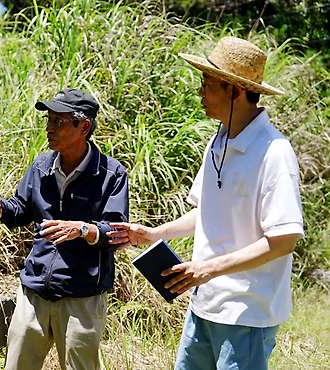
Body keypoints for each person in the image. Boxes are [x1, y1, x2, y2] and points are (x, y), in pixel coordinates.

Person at [109, 37, 304, 370]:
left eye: (208, 84)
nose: (200, 92)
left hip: (247, 314)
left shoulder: (274, 152)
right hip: (203, 305)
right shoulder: (219, 140)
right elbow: (206, 211)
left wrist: (207, 269)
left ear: (235, 91)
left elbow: (284, 239)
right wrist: (154, 234)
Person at [0, 88, 129, 370]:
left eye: (58, 122)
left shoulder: (111, 174)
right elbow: (18, 211)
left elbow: (117, 232)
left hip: (81, 296)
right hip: (35, 290)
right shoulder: (41, 166)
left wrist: (83, 230)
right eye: (48, 120)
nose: (49, 128)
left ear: (83, 126)